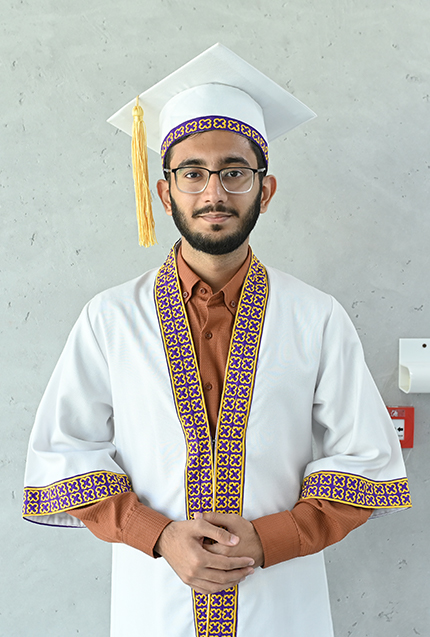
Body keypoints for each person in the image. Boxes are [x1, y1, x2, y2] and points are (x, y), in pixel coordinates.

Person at [23, 44, 411, 637]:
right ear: (164, 193)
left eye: (234, 172)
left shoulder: (316, 318)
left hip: (280, 602)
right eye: (193, 173)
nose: (214, 193)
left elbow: (369, 465)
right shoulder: (109, 319)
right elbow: (62, 453)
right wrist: (158, 536)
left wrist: (274, 537)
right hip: (157, 600)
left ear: (265, 190)